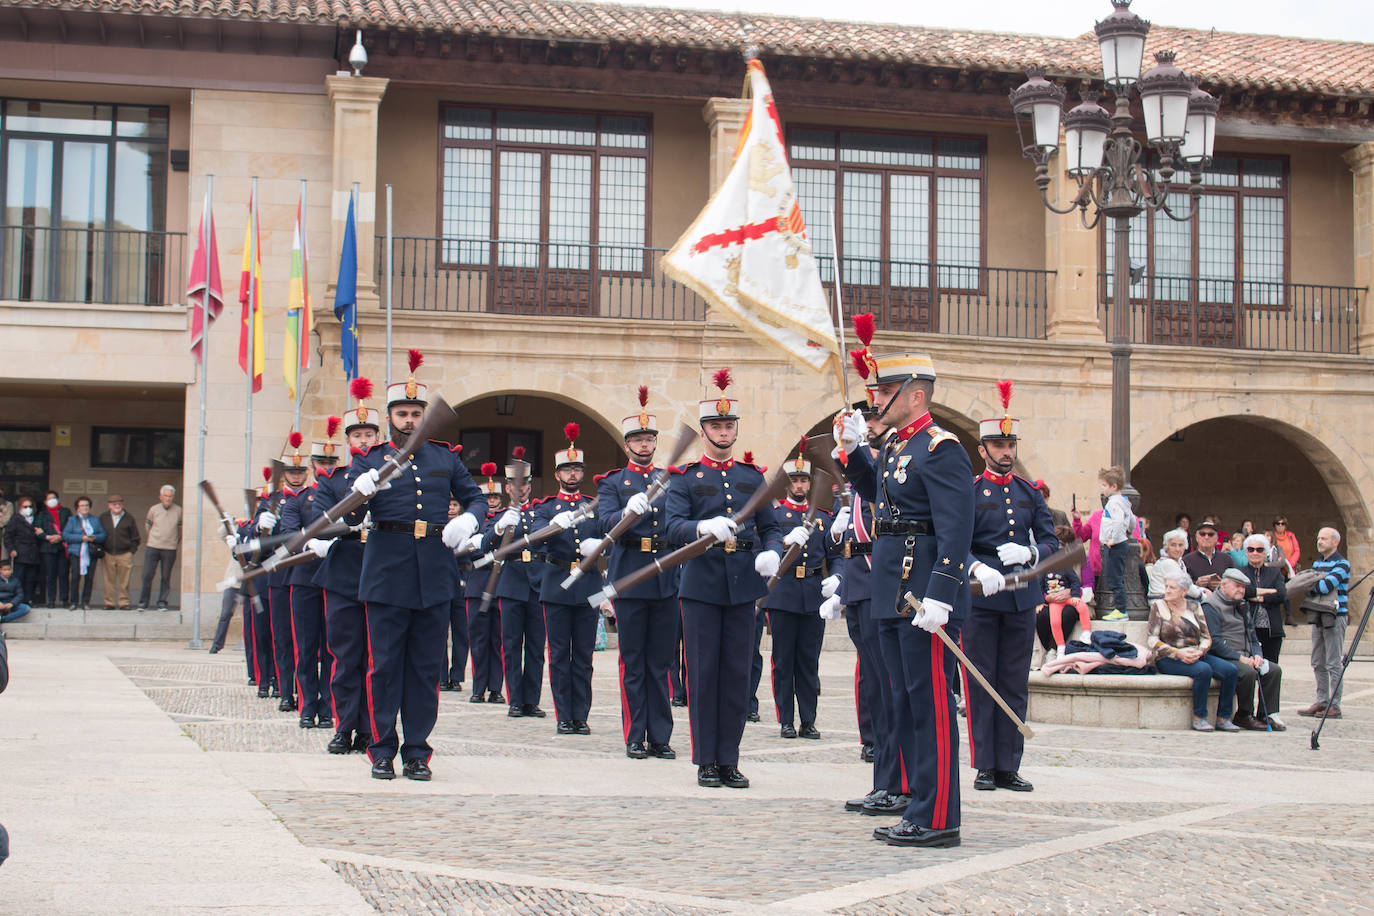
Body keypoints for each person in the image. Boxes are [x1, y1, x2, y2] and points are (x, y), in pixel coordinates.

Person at [837, 343, 972, 849]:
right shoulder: (897, 444)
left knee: (931, 703)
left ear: (915, 396)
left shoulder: (942, 447)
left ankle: (939, 817)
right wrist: (853, 453)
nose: (876, 401)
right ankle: (917, 802)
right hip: (892, 586)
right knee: (904, 698)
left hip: (923, 595)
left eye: (886, 393)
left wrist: (943, 591)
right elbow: (880, 499)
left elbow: (956, 528)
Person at [347, 351, 485, 779]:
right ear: (390, 417)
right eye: (402, 413)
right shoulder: (370, 460)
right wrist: (360, 492)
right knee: (384, 666)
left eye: (416, 413)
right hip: (388, 571)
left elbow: (477, 497)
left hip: (434, 572)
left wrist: (467, 519)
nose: (409, 420)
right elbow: (347, 520)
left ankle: (417, 751)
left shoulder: (445, 458)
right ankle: (382, 747)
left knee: (426, 669)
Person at [664, 368, 783, 791]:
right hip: (701, 583)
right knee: (703, 673)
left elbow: (771, 525)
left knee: (736, 674)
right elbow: (670, 526)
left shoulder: (752, 478)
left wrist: (772, 550)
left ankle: (729, 759)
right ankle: (705, 760)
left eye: (729, 424)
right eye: (716, 424)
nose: (723, 430)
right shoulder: (687, 478)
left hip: (743, 584)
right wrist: (699, 529)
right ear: (704, 430)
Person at [961, 382, 1057, 794]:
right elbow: (955, 543)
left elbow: (1052, 539)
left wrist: (1032, 554)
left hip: (1020, 598)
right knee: (983, 681)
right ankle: (985, 763)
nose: (1006, 452)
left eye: (1010, 444)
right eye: (998, 445)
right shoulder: (968, 491)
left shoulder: (1028, 493)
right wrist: (977, 567)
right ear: (982, 449)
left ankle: (1009, 765)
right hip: (982, 598)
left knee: (1015, 682)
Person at [593, 387, 677, 760]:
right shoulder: (612, 483)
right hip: (629, 575)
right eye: (637, 439)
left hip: (664, 577)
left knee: (660, 662)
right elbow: (603, 524)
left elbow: (678, 524)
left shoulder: (670, 480)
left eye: (649, 438)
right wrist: (628, 510)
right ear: (627, 444)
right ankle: (634, 734)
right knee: (633, 661)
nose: (644, 444)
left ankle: (660, 735)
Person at [836, 402, 910, 817]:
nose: (871, 428)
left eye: (874, 421)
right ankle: (885, 780)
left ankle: (897, 780)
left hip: (887, 582)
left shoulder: (897, 465)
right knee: (877, 693)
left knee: (892, 689)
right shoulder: (871, 467)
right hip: (862, 585)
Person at [311, 377, 380, 754]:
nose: (364, 441)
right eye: (358, 435)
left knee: (376, 659)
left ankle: (370, 728)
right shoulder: (335, 481)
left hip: (382, 570)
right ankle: (343, 726)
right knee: (345, 656)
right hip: (343, 572)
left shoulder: (391, 477)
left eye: (370, 434)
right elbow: (321, 519)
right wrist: (344, 526)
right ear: (349, 442)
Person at [534, 423, 604, 737]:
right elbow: (533, 540)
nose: (572, 475)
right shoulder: (546, 508)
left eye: (577, 469)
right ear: (558, 473)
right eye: (567, 470)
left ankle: (581, 715)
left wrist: (600, 547)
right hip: (557, 583)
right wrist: (551, 525)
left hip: (588, 584)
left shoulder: (596, 507)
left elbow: (611, 537)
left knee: (584, 657)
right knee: (560, 655)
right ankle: (564, 714)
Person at [760, 445, 834, 741]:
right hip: (783, 592)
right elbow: (762, 544)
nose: (800, 485)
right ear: (787, 484)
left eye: (804, 481)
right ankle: (786, 720)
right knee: (783, 660)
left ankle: (808, 720)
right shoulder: (776, 516)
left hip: (813, 594)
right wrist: (783, 542)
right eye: (795, 481)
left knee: (808, 661)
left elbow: (835, 554)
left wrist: (837, 577)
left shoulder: (823, 518)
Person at [279, 425, 342, 729]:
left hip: (334, 579)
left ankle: (328, 708)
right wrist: (309, 541)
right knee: (305, 647)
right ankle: (307, 706)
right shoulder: (298, 499)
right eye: (322, 464)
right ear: (314, 467)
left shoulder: (346, 495)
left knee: (332, 648)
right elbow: (288, 534)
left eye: (332, 464)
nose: (327, 468)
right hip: (304, 578)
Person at [482, 448, 548, 719]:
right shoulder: (500, 516)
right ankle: (515, 700)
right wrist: (499, 528)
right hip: (510, 583)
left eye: (524, 485)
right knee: (511, 645)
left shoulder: (540, 512)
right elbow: (486, 545)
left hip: (537, 582)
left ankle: (531, 700)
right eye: (514, 485)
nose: (520, 489)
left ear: (529, 486)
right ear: (508, 487)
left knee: (535, 647)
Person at [257, 435, 310, 714]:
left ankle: (305, 693)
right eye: (292, 471)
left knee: (306, 640)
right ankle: (286, 689)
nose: (296, 476)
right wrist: (258, 528)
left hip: (305, 574)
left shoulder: (314, 498)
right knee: (282, 637)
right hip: (278, 578)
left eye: (301, 472)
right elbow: (256, 537)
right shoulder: (271, 501)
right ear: (285, 474)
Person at [1147, 570, 1238, 732]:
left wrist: (1200, 652)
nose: (1167, 590)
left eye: (1172, 588)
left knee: (1230, 670)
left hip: (1196, 654)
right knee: (1204, 670)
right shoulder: (1158, 606)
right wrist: (1178, 653)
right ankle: (1199, 717)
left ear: (1184, 591)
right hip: (1169, 657)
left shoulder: (1195, 606)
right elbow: (1152, 640)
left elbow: (1206, 636)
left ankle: (1224, 717)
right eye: (1166, 587)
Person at [1202, 568, 1283, 732]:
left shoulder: (1242, 605)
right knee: (1247, 672)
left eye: (1243, 587)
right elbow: (1215, 642)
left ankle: (1266, 714)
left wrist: (1257, 655)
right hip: (1224, 656)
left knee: (1273, 670)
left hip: (1246, 654)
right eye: (1237, 586)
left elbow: (1252, 635)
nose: (1241, 590)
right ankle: (1244, 714)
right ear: (1224, 585)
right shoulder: (1211, 605)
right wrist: (1241, 658)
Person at [462, 463, 506, 706]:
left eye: (494, 496)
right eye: (487, 496)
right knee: (478, 641)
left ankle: (496, 689)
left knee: (498, 640)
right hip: (478, 584)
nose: (491, 500)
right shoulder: (473, 520)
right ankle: (478, 687)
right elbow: (466, 550)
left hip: (500, 584)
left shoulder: (506, 518)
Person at [1298, 527, 1351, 720]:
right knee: (1317, 661)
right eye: (1318, 538)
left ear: (1335, 542)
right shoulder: (1318, 562)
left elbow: (1324, 585)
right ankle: (1321, 701)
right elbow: (1307, 586)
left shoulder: (1342, 564)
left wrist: (1311, 582)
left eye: (1324, 539)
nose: (1319, 541)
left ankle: (1334, 705)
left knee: (1333, 662)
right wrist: (1311, 583)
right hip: (1317, 615)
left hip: (1335, 616)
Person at [1034, 528, 1092, 664]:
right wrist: (1047, 598)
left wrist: (1071, 592)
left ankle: (1054, 649)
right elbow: (1039, 583)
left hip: (1075, 600)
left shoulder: (1083, 560)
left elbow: (1089, 585)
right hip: (1050, 600)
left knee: (1067, 614)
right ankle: (1049, 649)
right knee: (1042, 615)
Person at [1237, 533, 1287, 664]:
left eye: (1259, 549)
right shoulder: (1240, 573)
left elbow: (1282, 594)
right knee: (1250, 669)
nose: (1255, 553)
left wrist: (1260, 598)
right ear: (1246, 552)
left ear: (1265, 553)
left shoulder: (1274, 572)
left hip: (1271, 629)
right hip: (1248, 628)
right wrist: (1268, 591)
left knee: (1271, 668)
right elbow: (1243, 592)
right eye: (1250, 549)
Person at [1096, 466, 1133, 622]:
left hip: (1115, 545)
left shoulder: (1113, 503)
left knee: (1114, 578)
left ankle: (1121, 610)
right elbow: (1131, 521)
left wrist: (1114, 539)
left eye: (1104, 485)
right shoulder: (1124, 502)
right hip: (1120, 543)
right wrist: (1127, 532)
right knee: (1116, 577)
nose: (1102, 488)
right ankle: (1120, 609)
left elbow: (1118, 522)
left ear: (1114, 486)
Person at [440, 498, 470, 694]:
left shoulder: (466, 527)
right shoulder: (438, 526)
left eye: (455, 505)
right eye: (448, 504)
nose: (451, 508)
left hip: (461, 581)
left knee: (461, 633)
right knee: (440, 632)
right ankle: (441, 676)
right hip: (440, 582)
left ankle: (457, 676)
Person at [138, 485, 182, 610]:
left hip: (170, 548)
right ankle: (143, 602)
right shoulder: (154, 509)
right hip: (153, 546)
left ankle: (162, 602)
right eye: (166, 496)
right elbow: (147, 525)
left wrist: (174, 540)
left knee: (166, 576)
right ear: (161, 497)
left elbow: (180, 528)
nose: (168, 498)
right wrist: (153, 537)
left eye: (170, 496)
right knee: (147, 575)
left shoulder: (179, 510)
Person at [62, 497, 106, 609]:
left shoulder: (95, 520)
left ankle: (85, 602)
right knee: (75, 577)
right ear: (77, 508)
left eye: (86, 505)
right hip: (77, 552)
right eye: (82, 505)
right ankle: (74, 602)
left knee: (89, 578)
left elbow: (103, 535)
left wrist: (94, 538)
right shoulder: (72, 520)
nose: (85, 507)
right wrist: (81, 538)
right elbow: (66, 535)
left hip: (91, 552)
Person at [98, 495, 141, 610]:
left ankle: (124, 603)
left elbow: (136, 537)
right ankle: (109, 603)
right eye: (114, 504)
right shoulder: (103, 517)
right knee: (108, 580)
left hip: (125, 553)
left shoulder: (129, 518)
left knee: (124, 581)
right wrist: (101, 550)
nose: (117, 506)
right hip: (108, 553)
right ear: (109, 506)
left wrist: (131, 551)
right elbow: (98, 533)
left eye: (119, 504)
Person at [1147, 528, 1206, 601]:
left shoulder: (1179, 562)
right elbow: (1186, 587)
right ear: (1166, 547)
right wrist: (1203, 596)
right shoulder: (1168, 563)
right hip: (1161, 602)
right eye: (1173, 545)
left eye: (1180, 545)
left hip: (1173, 599)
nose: (1177, 549)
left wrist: (1202, 589)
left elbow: (1188, 584)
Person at [34, 490, 70, 608]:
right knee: (51, 574)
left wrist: (61, 537)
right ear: (45, 501)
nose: (52, 500)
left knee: (64, 574)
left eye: (54, 497)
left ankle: (64, 599)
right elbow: (37, 530)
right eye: (49, 498)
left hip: (63, 547)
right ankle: (51, 600)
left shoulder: (65, 512)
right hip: (48, 548)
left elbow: (71, 527)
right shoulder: (42, 514)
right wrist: (48, 537)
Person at [3, 497, 40, 606]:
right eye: (25, 507)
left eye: (30, 506)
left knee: (31, 578)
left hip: (33, 554)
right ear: (19, 508)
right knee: (19, 578)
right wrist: (11, 549)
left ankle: (28, 599)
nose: (28, 509)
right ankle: (17, 600)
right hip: (20, 553)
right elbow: (8, 536)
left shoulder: (36, 519)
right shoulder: (15, 520)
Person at [1181, 519, 1232, 592]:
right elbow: (1181, 587)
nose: (1206, 537)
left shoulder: (1227, 559)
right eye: (1202, 534)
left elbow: (1234, 584)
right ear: (1197, 537)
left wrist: (1222, 585)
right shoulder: (1186, 560)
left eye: (1211, 534)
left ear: (1217, 538)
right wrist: (1196, 584)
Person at [0, 560, 30, 624]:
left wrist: (12, 603)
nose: (7, 572)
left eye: (9, 569)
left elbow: (20, 594)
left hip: (10, 602)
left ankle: (3, 619)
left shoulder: (15, 580)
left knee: (25, 608)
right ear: (0, 570)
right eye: (5, 570)